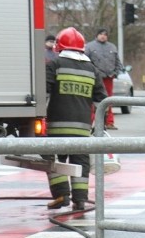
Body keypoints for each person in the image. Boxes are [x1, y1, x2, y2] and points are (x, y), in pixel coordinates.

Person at [43, 27, 107, 211]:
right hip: (82, 128)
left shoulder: (54, 65)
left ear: (60, 46)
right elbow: (102, 100)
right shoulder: (92, 69)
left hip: (56, 126)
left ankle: (61, 194)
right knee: (81, 162)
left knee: (53, 157)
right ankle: (79, 200)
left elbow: (44, 93)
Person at [84, 28, 122, 129]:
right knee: (93, 100)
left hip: (109, 78)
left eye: (105, 34)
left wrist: (115, 73)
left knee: (108, 100)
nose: (103, 36)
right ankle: (91, 122)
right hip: (95, 78)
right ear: (96, 35)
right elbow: (85, 61)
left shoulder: (112, 47)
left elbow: (118, 62)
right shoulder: (89, 47)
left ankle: (109, 122)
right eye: (101, 34)